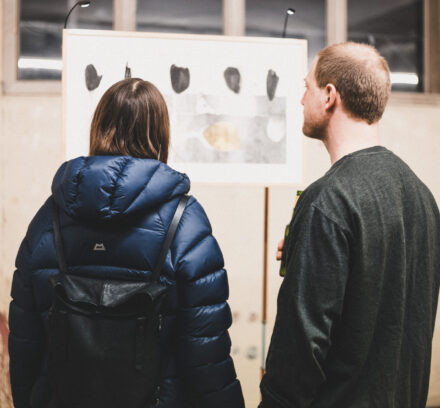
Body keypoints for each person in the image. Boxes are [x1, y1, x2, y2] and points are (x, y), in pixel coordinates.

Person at [9, 78, 245, 408]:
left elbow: (25, 342)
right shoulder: (185, 221)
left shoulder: (48, 219)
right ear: (161, 133)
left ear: (99, 126)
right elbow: (206, 352)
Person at [260, 42, 440, 408]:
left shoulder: (328, 201)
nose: (300, 100)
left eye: (306, 87)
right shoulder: (422, 197)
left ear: (329, 95)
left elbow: (300, 347)